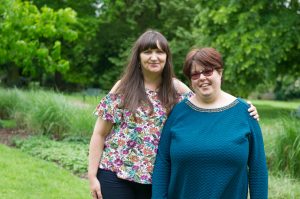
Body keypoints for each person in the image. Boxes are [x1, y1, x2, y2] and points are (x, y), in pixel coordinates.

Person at [88, 31, 259, 199]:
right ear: (138, 57)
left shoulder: (177, 89)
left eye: (159, 52)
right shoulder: (123, 87)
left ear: (166, 57)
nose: (154, 57)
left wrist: (242, 107)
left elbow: (208, 98)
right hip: (115, 174)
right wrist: (92, 176)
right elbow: (100, 133)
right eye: (147, 52)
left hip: (155, 178)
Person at [152, 47, 268, 199]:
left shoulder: (244, 113)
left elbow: (257, 168)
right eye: (195, 74)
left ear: (220, 72)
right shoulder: (178, 113)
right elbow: (162, 162)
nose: (202, 77)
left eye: (207, 71)